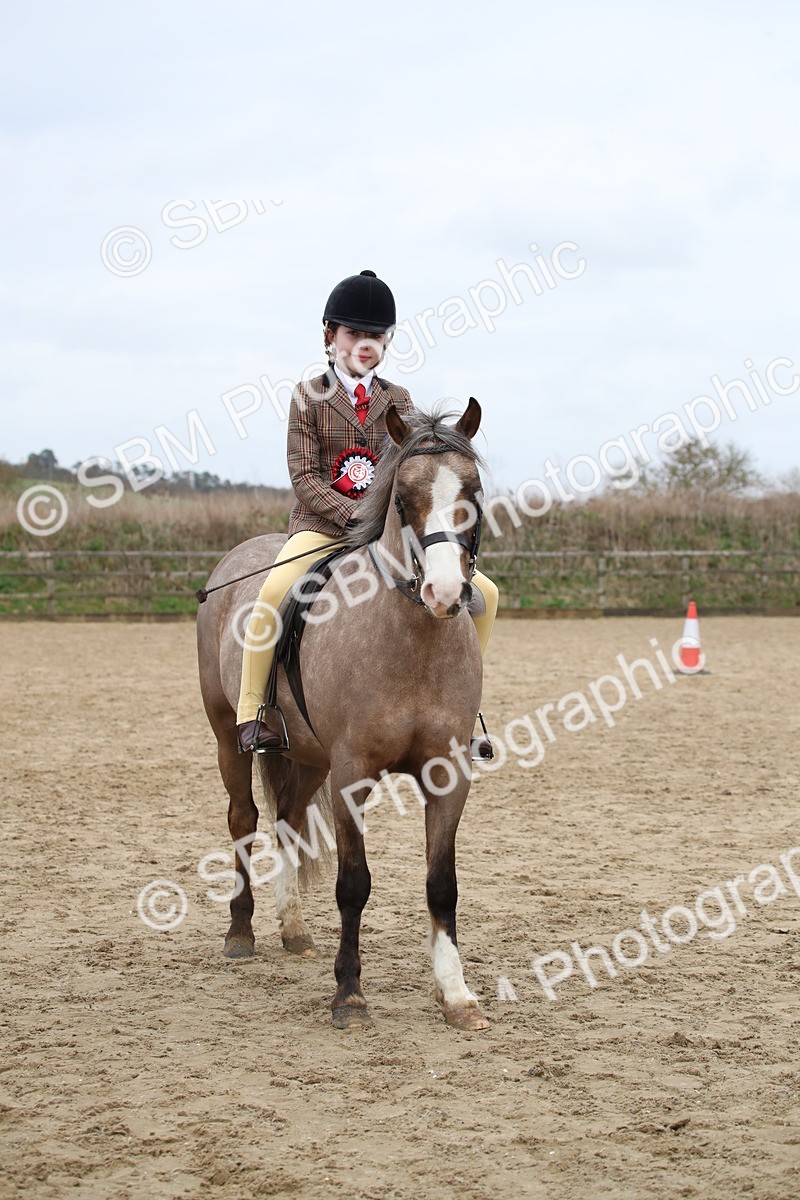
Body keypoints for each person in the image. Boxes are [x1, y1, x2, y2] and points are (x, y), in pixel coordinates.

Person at [236, 269, 498, 756]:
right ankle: (255, 710)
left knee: (485, 593)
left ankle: (463, 710)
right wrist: (356, 516)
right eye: (354, 333)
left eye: (374, 336)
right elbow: (305, 478)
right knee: (273, 591)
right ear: (330, 336)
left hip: (385, 538)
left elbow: (414, 472)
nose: (364, 343)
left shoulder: (398, 401)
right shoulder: (306, 398)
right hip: (322, 528)